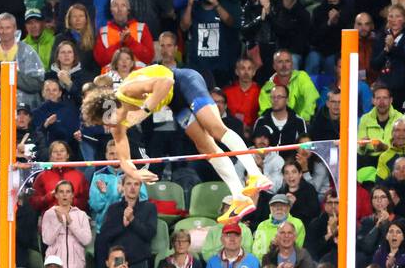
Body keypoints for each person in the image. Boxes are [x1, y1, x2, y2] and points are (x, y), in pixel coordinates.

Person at [80, 66, 270, 224]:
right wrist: (135, 173)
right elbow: (124, 159)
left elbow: (166, 82)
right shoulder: (117, 125)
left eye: (102, 121)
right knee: (206, 148)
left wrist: (144, 110)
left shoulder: (127, 90)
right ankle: (239, 196)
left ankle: (255, 174)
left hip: (184, 82)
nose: (105, 127)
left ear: (109, 107)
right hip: (175, 103)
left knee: (215, 129)